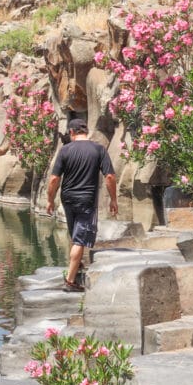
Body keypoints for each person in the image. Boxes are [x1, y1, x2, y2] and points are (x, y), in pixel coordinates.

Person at [46, 118, 117, 292]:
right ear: (85, 131)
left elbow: (54, 179)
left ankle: (76, 267)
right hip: (87, 199)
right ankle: (70, 282)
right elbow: (110, 177)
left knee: (75, 234)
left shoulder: (65, 150)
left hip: (68, 198)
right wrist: (113, 199)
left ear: (71, 132)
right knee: (79, 239)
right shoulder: (99, 149)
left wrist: (50, 200)